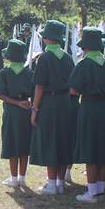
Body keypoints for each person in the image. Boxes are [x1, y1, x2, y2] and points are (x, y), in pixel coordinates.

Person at [69, 28, 105, 203]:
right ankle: (100, 189)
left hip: (89, 108)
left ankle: (92, 193)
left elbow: (73, 90)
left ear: (85, 46)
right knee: (103, 149)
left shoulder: (83, 64)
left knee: (90, 149)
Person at [30, 20, 76, 195]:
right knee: (63, 141)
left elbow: (39, 86)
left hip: (49, 103)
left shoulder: (44, 58)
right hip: (66, 102)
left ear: (47, 38)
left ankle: (51, 184)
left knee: (50, 141)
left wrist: (34, 109)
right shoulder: (68, 57)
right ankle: (60, 183)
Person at [0, 39, 33, 188]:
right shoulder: (29, 72)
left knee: (12, 144)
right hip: (26, 110)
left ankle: (14, 178)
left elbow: (0, 94)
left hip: (11, 111)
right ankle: (22, 177)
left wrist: (16, 103)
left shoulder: (4, 72)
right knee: (24, 144)